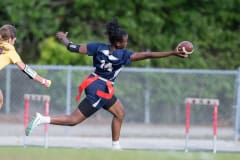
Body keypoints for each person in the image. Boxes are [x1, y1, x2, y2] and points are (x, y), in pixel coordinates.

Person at [25, 18, 188, 150]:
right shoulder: (123, 55)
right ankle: (42, 119)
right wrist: (172, 53)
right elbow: (148, 55)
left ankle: (116, 147)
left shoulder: (98, 47)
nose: (127, 43)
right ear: (118, 43)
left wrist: (64, 38)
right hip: (100, 89)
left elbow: (73, 48)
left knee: (120, 113)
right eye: (125, 41)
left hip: (98, 84)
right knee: (73, 120)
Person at [0, 24, 51, 110]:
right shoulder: (11, 51)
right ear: (10, 40)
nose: (14, 42)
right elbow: (26, 70)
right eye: (14, 40)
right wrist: (43, 81)